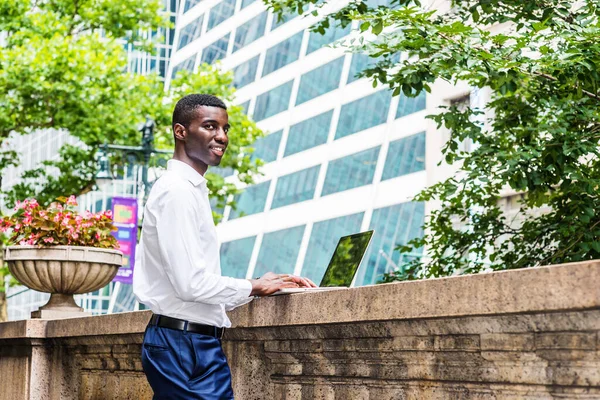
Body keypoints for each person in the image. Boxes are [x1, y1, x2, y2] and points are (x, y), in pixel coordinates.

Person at [133, 94, 316, 399]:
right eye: (210, 126)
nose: (221, 136)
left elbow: (193, 286)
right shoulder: (177, 192)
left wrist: (260, 285)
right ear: (181, 131)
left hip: (187, 342)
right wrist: (252, 286)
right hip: (185, 346)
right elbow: (189, 284)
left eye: (225, 128)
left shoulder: (189, 189)